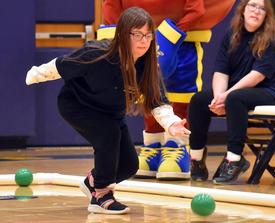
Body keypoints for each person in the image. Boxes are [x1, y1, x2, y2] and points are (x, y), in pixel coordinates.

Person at [25, 7, 190, 214]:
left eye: (148, 35)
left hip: (111, 113)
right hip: (77, 105)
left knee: (130, 165)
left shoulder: (149, 67)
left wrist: (172, 123)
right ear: (122, 34)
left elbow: (158, 101)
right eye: (137, 34)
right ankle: (101, 195)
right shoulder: (97, 53)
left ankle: (92, 181)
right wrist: (34, 75)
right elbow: (61, 65)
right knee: (108, 135)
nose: (143, 40)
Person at [102, 0, 236, 180]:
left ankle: (177, 147)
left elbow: (196, 9)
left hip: (183, 39)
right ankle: (153, 145)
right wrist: (118, 35)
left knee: (181, 93)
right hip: (141, 38)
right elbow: (112, 5)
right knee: (146, 91)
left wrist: (172, 33)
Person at [188, 0, 275, 184]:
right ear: (243, 10)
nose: (256, 11)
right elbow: (221, 71)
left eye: (262, 9)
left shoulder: (271, 39)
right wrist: (218, 98)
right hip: (235, 93)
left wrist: (227, 96)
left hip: (267, 92)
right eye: (252, 6)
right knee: (199, 100)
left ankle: (235, 158)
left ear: (266, 16)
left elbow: (257, 76)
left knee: (235, 98)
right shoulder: (231, 35)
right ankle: (196, 158)